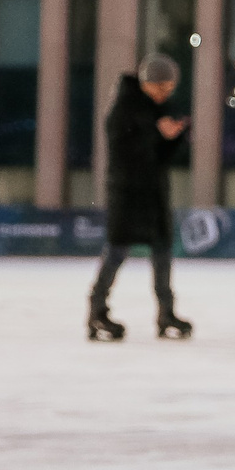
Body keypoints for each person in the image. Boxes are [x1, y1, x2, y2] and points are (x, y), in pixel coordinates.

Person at [86, 52, 193, 341]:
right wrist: (156, 132)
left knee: (162, 252)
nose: (165, 94)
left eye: (169, 89)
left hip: (154, 191)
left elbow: (160, 156)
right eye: (162, 87)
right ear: (148, 83)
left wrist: (174, 137)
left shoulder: (159, 109)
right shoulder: (124, 108)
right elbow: (123, 149)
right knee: (117, 250)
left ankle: (166, 313)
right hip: (127, 191)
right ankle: (96, 311)